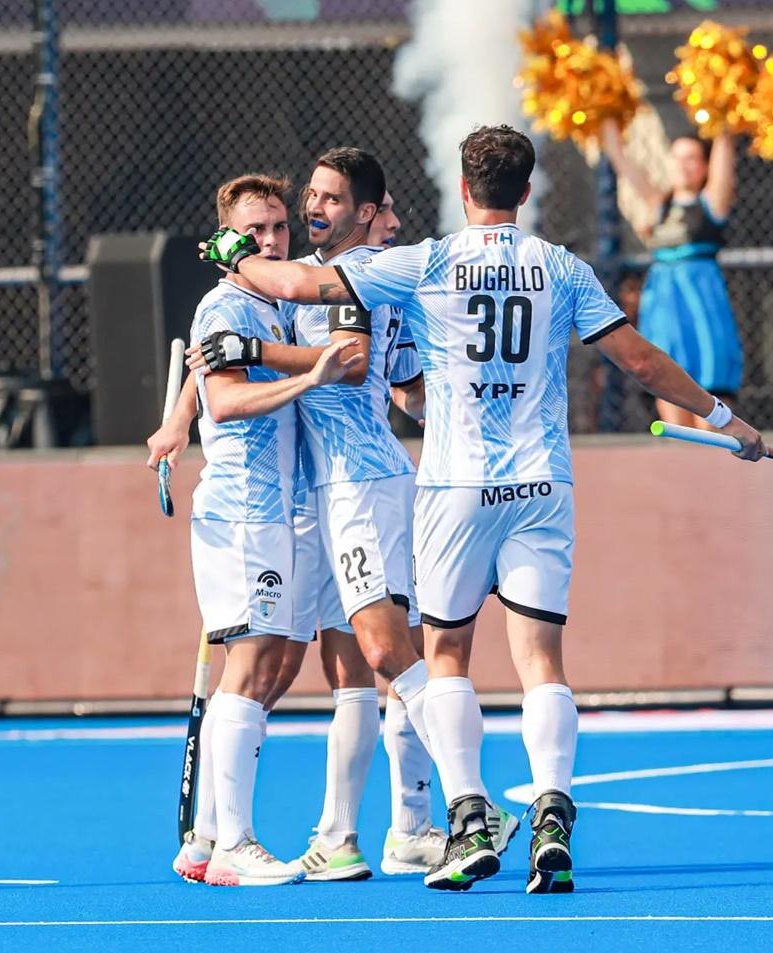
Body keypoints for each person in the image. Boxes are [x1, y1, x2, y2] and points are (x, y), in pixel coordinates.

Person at [197, 124, 767, 894]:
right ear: (527, 192)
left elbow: (303, 294)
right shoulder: (560, 267)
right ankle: (540, 813)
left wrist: (237, 258)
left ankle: (460, 815)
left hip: (443, 486)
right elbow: (637, 358)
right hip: (540, 483)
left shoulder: (424, 263)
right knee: (539, 661)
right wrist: (726, 421)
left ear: (462, 189)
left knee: (436, 656)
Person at [190, 151, 518, 877]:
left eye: (331, 198)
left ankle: (473, 799)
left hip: (359, 485)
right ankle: (381, 831)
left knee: (384, 650)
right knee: (355, 666)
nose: (314, 206)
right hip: (334, 490)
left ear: (367, 215)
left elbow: (351, 358)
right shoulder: (324, 273)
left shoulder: (356, 275)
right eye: (311, 192)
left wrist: (251, 341)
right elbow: (406, 386)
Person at [146, 173, 361, 887]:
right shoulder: (225, 304)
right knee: (251, 661)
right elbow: (230, 401)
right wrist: (309, 378)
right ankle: (234, 843)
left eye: (278, 228)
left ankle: (207, 835)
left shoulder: (273, 300)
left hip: (278, 509)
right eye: (257, 231)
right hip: (242, 511)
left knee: (269, 664)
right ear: (232, 241)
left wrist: (178, 417)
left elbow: (207, 378)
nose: (272, 240)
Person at [600, 119, 743, 428]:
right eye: (677, 158)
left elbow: (724, 142)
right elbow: (622, 161)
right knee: (670, 395)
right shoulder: (658, 204)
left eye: (692, 158)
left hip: (701, 302)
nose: (683, 166)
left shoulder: (710, 203)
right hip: (664, 306)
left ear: (705, 166)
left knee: (710, 395)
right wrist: (607, 116)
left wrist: (722, 111)